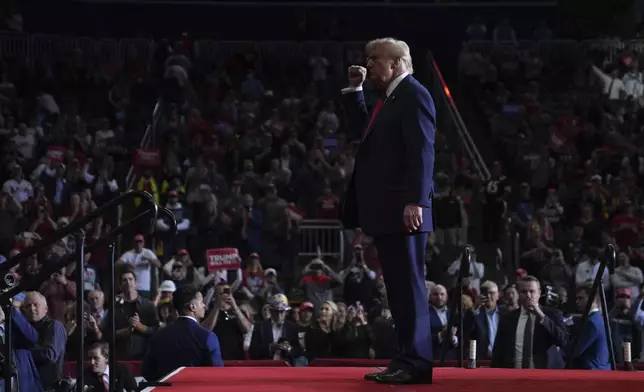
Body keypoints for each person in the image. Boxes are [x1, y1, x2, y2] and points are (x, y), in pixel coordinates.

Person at [341, 37, 435, 385]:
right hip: (388, 211)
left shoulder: (414, 95)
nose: (367, 64)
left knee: (409, 288)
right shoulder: (388, 98)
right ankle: (405, 359)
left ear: (396, 63)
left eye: (374, 60)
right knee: (397, 290)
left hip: (405, 211)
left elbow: (422, 153)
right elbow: (362, 134)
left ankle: (417, 363)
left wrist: (416, 201)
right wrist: (355, 91)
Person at [142, 285, 223, 381]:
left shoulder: (158, 337)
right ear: (192, 306)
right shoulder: (208, 337)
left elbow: (147, 372)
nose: (204, 305)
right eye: (201, 302)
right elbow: (217, 374)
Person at [491, 276, 568, 368]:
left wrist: (541, 316)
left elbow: (564, 341)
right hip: (513, 374)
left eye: (532, 291)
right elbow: (498, 350)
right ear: (518, 293)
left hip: (543, 374)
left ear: (539, 293)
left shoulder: (553, 314)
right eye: (524, 292)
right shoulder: (508, 318)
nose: (528, 295)